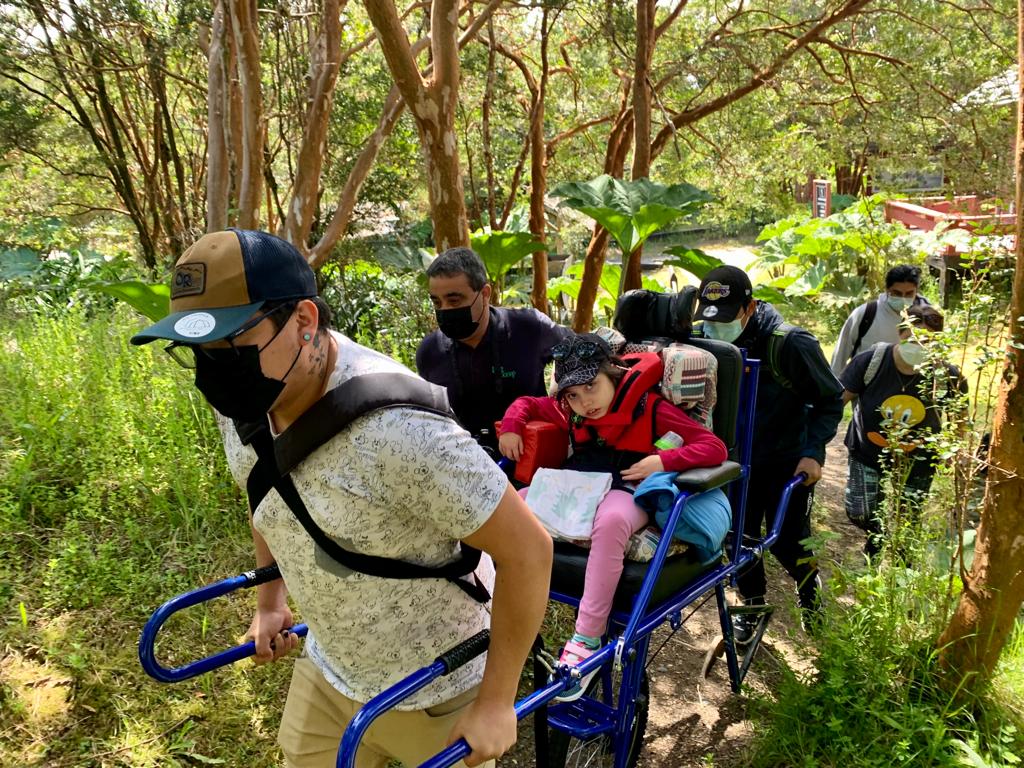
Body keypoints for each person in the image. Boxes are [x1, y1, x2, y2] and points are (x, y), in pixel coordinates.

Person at [131, 229, 553, 768]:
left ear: (304, 320)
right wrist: (270, 602)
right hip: (330, 667)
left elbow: (528, 551)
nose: (214, 367)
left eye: (231, 342)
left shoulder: (402, 432)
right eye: (197, 350)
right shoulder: (242, 398)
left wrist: (495, 703)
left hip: (437, 685)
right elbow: (268, 495)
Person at [497, 333, 729, 698]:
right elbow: (527, 403)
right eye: (573, 394)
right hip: (580, 485)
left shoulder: (649, 408)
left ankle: (586, 639)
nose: (585, 402)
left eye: (591, 386)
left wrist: (663, 460)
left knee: (612, 521)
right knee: (512, 507)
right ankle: (500, 616)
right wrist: (512, 426)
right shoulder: (569, 411)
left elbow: (713, 446)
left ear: (613, 374)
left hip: (626, 487)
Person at [696, 265, 843, 634]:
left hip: (785, 461)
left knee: (790, 542)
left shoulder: (790, 344)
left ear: (750, 307)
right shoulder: (704, 342)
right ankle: (752, 605)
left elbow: (829, 400)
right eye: (709, 320)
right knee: (738, 538)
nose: (714, 328)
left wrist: (813, 452)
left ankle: (809, 593)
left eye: (725, 319)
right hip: (733, 463)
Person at [840, 305, 968, 557]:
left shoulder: (947, 376)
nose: (918, 345)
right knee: (859, 511)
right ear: (901, 333)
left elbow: (960, 417)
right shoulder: (870, 362)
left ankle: (900, 563)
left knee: (907, 519)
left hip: (919, 458)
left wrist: (954, 452)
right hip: (868, 452)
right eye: (913, 338)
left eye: (927, 341)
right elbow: (837, 401)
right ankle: (878, 537)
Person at [416, 247, 572, 451]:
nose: (445, 309)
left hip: (531, 458)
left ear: (484, 294)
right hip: (463, 461)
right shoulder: (430, 352)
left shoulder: (529, 328)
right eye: (437, 302)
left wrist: (559, 388)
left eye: (454, 301)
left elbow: (581, 349)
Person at [830, 264, 931, 376]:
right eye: (897, 293)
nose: (903, 298)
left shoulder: (928, 316)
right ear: (887, 290)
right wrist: (834, 384)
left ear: (916, 291)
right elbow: (840, 354)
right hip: (865, 383)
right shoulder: (866, 314)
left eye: (909, 293)